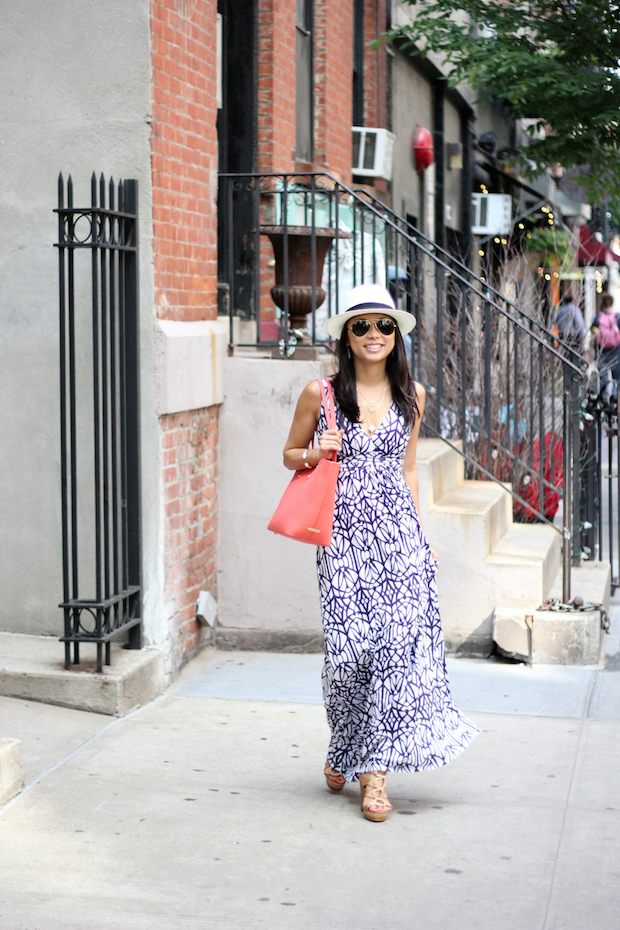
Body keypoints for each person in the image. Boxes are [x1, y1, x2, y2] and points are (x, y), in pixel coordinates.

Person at [282, 283, 478, 823]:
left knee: (394, 648)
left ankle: (374, 774)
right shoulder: (318, 393)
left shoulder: (413, 395)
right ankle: (344, 741)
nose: (374, 334)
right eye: (362, 325)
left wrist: (419, 535)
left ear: (397, 336)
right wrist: (312, 453)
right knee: (348, 653)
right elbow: (289, 453)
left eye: (384, 325)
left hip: (397, 535)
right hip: (342, 533)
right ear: (346, 334)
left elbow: (409, 469)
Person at [593, 292, 620, 382]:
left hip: (602, 351)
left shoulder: (598, 317)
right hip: (616, 351)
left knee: (602, 377)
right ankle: (614, 394)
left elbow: (593, 330)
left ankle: (604, 394)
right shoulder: (617, 317)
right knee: (616, 378)